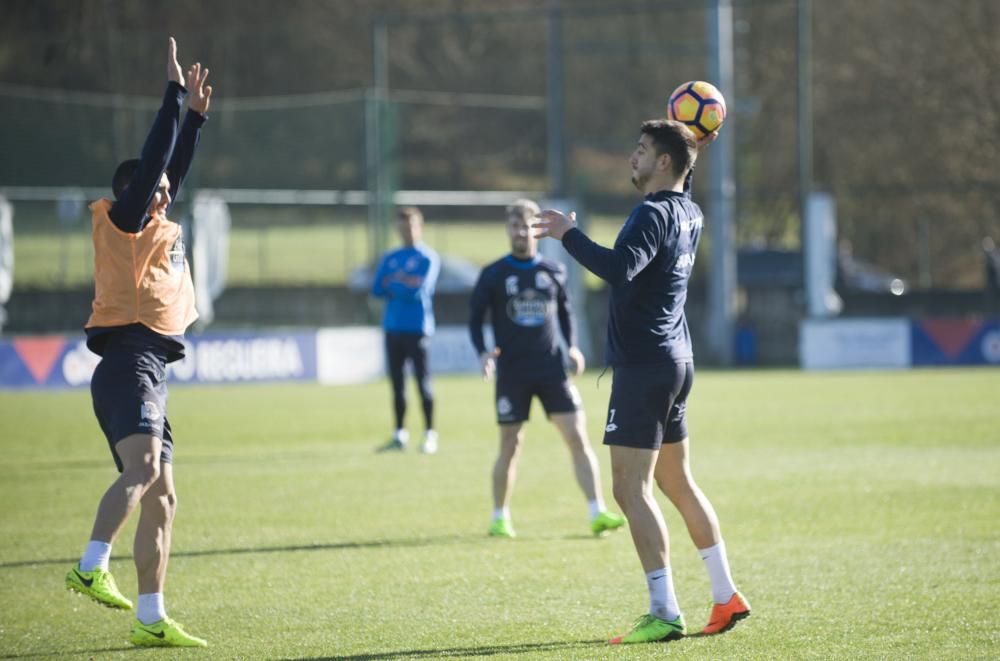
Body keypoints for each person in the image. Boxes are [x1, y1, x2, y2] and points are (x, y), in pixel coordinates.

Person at [534, 120, 750, 644]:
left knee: (629, 488)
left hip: (645, 367)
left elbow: (619, 267)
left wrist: (568, 235)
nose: (633, 157)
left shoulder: (650, 214)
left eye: (643, 151)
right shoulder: (688, 209)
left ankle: (664, 611)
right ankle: (725, 596)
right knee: (676, 483)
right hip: (676, 361)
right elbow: (684, 182)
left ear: (666, 164)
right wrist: (694, 142)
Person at [64, 37, 210, 648]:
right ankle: (90, 563)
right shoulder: (123, 220)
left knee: (164, 498)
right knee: (144, 467)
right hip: (128, 362)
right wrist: (173, 97)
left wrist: (196, 120)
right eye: (157, 188)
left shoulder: (153, 220)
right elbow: (155, 164)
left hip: (151, 365)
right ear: (135, 192)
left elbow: (169, 170)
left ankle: (150, 616)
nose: (167, 191)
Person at [468, 199, 626, 539]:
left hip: (552, 369)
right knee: (510, 444)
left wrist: (571, 346)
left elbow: (567, 314)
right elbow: (474, 318)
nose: (520, 233)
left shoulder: (553, 271)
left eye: (525, 226)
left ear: (535, 230)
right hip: (512, 372)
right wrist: (483, 352)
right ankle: (500, 517)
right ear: (507, 230)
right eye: (514, 227)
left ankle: (597, 511)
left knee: (578, 438)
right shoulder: (494, 274)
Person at [371, 207, 441, 453]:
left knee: (423, 383)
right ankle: (399, 433)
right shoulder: (389, 258)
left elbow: (418, 290)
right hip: (393, 328)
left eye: (411, 226)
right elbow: (376, 288)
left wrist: (395, 282)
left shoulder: (428, 257)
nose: (406, 231)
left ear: (419, 227)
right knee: (397, 385)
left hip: (418, 329)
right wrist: (404, 281)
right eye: (402, 226)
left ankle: (430, 433)